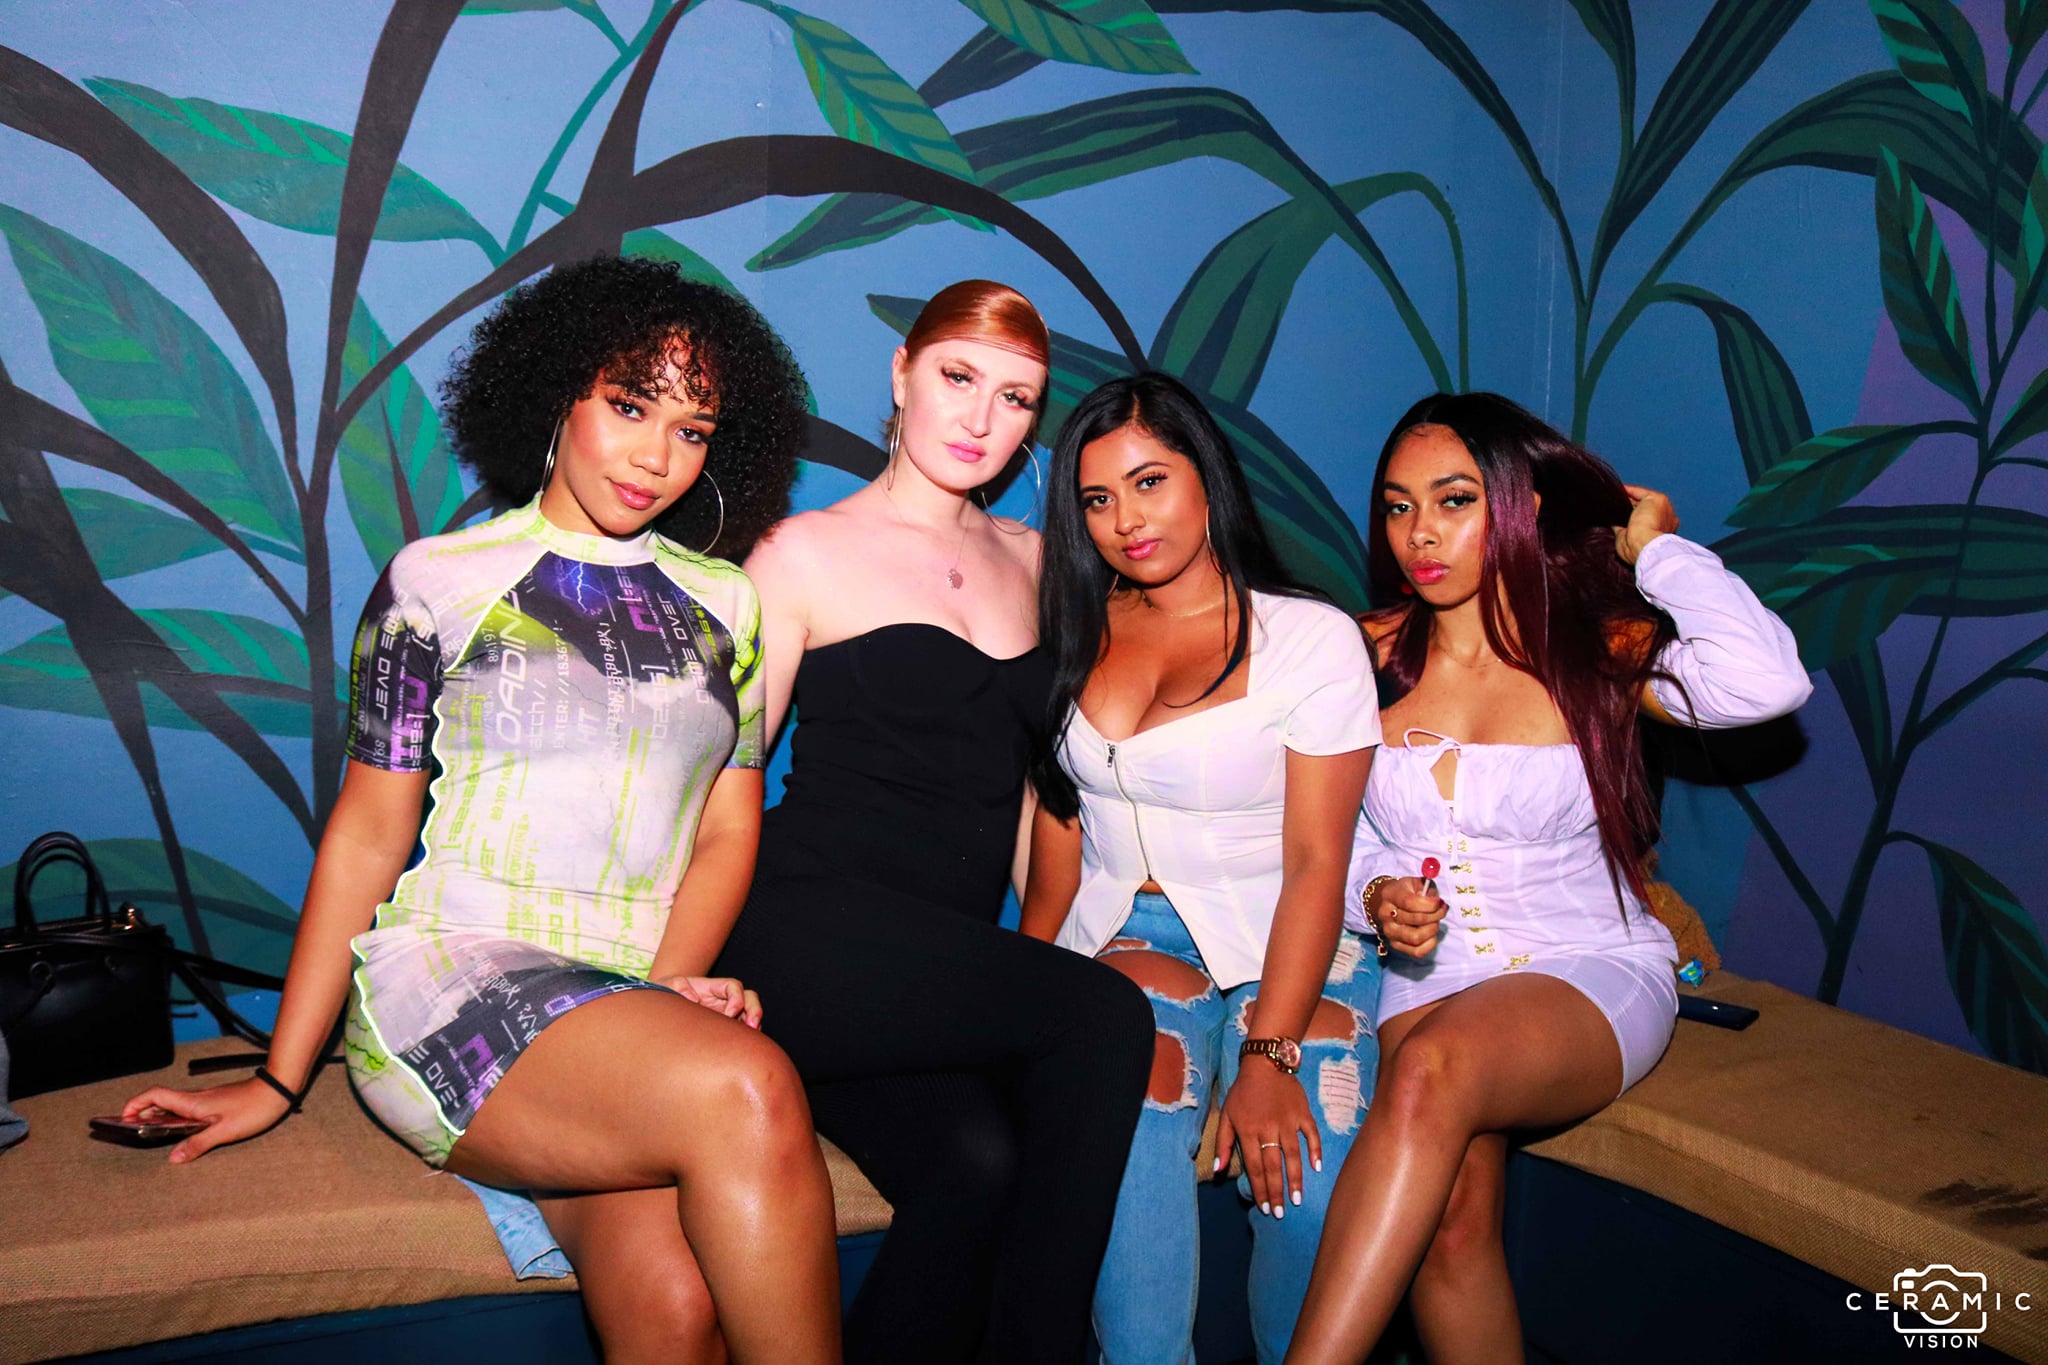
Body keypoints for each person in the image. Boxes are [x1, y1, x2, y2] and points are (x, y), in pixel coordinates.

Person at [122, 255, 839, 1364]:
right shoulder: (439, 580)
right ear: (557, 391)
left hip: (627, 997)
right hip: (456, 974)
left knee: (673, 1305)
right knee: (751, 1086)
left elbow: (727, 829)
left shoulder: (728, 604)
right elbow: (368, 832)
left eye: (692, 429)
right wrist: (277, 1078)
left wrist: (667, 993)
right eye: (629, 405)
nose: (656, 455)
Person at [1285, 392, 1813, 1363]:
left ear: (1518, 508)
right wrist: (1375, 895)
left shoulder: (1596, 650)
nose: (1419, 532)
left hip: (1588, 965)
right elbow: (1315, 832)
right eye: (1398, 506)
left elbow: (1767, 682)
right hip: (1428, 976)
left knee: (1429, 1070)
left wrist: (1658, 554)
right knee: (1450, 1221)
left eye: (1454, 500)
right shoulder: (1363, 654)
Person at [710, 280, 1155, 1364]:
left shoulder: (1043, 564)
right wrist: (673, 966)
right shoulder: (799, 553)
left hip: (933, 968)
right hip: (803, 935)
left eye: (1015, 398)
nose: (979, 418)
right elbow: (719, 781)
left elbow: (1036, 797)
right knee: (1105, 1019)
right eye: (958, 377)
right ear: (902, 373)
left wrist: (1045, 950)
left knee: (972, 1167)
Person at [1021, 372, 1382, 1364]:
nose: (1126, 521)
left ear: (1206, 476)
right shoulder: (1075, 628)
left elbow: (1317, 862)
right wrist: (1023, 988)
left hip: (1292, 938)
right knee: (1126, 1141)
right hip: (1124, 939)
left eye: (1150, 482)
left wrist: (1266, 1057)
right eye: (1098, 499)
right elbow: (1059, 832)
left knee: (1303, 1178)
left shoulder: (1308, 640)